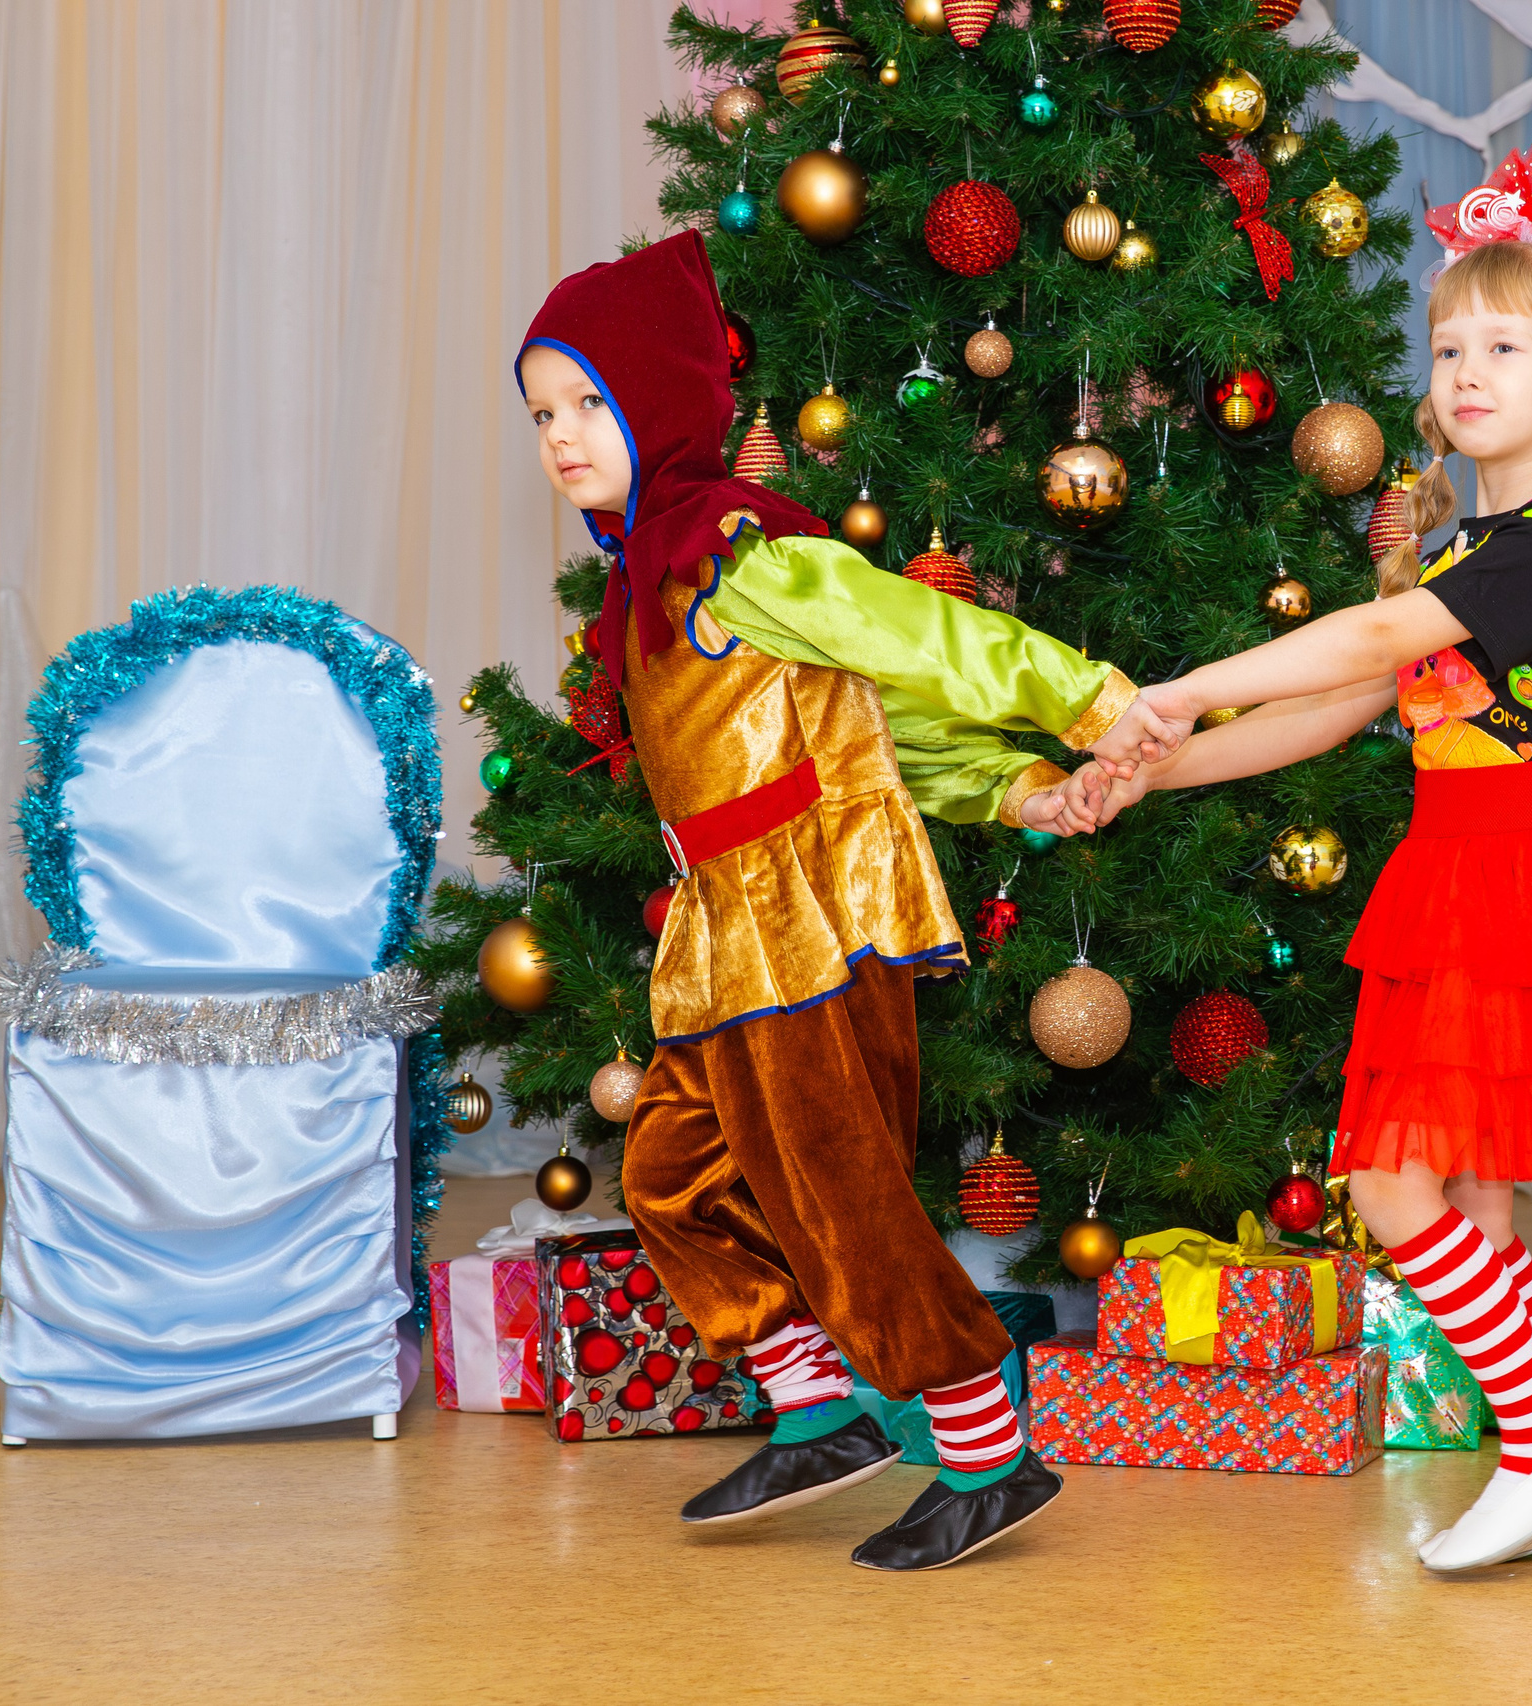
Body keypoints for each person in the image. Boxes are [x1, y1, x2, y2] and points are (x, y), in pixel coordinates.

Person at [1050, 145, 1532, 1573]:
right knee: (1475, 1188)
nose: (1467, 371)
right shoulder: (1467, 554)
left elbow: (1366, 645)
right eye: (1448, 348)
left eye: (1506, 344)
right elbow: (1329, 711)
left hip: (1521, 882)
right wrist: (1136, 775)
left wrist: (1179, 685)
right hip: (1461, 872)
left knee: (1390, 1187)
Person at [514, 231, 1180, 1571]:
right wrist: (1010, 792)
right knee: (668, 1171)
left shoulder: (745, 557)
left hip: (814, 914)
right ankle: (820, 1407)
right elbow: (858, 726)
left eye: (591, 402)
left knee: (841, 1191)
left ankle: (988, 1453)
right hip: (725, 926)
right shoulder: (653, 578)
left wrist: (1085, 708)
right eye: (541, 414)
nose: (563, 437)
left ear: (660, 398)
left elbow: (918, 639)